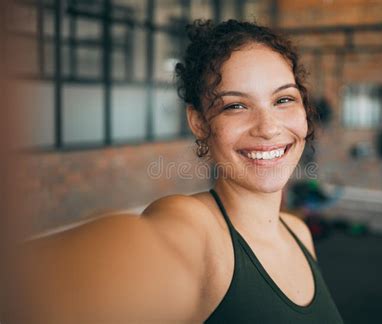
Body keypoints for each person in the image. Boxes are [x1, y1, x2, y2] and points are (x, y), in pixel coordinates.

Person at [11, 19, 344, 323]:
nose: (269, 128)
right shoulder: (192, 228)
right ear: (199, 122)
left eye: (284, 100)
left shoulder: (299, 233)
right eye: (235, 106)